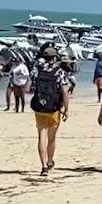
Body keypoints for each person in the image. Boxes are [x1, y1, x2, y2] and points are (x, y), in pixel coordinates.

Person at [30, 44, 70, 176]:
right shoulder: (59, 72)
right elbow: (64, 91)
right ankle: (50, 161)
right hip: (54, 109)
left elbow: (30, 87)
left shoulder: (37, 71)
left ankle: (43, 166)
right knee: (51, 138)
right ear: (54, 58)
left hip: (39, 108)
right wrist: (67, 109)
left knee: (42, 136)